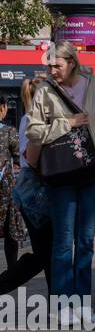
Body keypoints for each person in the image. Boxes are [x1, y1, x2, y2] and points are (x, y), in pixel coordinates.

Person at [25, 43, 95, 325]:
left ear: (72, 62)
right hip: (60, 173)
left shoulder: (94, 84)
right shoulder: (45, 90)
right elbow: (33, 130)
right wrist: (67, 123)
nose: (52, 70)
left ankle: (82, 302)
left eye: (57, 65)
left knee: (86, 241)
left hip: (91, 172)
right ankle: (61, 305)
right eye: (50, 65)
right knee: (63, 242)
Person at [1, 78, 54, 295]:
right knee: (46, 253)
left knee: (47, 252)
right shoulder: (32, 120)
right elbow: (30, 159)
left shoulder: (25, 120)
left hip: (30, 192)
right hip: (37, 193)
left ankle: (60, 300)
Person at [0, 100, 23, 269]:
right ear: (2, 108)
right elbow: (19, 157)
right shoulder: (9, 132)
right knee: (10, 231)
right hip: (5, 191)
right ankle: (12, 270)